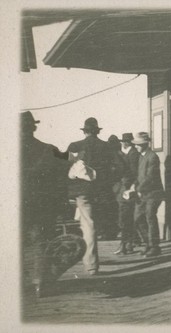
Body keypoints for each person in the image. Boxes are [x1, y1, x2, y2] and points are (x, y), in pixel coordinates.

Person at [20, 111, 68, 297]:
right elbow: (61, 179)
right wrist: (62, 205)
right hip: (43, 205)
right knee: (41, 242)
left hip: (14, 205)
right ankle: (40, 284)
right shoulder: (49, 149)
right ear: (34, 127)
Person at [67, 117, 113, 276]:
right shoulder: (106, 147)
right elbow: (120, 167)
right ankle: (92, 260)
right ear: (97, 131)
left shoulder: (75, 146)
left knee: (88, 226)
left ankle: (91, 264)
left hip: (82, 192)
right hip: (101, 191)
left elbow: (67, 168)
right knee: (91, 224)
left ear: (85, 131)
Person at [132, 132, 165, 257]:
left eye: (138, 144)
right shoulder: (141, 156)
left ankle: (155, 247)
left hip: (153, 193)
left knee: (150, 217)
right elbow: (139, 176)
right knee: (137, 218)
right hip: (143, 193)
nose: (136, 146)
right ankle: (148, 244)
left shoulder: (153, 157)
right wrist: (134, 186)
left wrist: (138, 189)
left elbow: (150, 177)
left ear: (145, 144)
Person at [112, 133, 140, 255]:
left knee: (124, 218)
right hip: (124, 189)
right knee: (127, 218)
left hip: (128, 189)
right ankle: (129, 244)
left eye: (125, 141)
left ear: (128, 142)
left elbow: (133, 172)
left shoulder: (132, 154)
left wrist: (125, 183)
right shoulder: (125, 153)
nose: (123, 143)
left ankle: (125, 245)